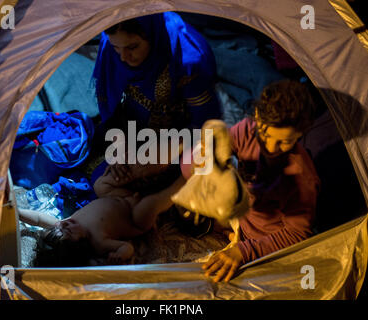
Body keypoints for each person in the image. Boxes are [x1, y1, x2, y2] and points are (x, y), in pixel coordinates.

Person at [180, 79, 320, 282]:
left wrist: (244, 251)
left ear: (300, 134)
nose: (271, 148)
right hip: (244, 215)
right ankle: (226, 228)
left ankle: (230, 233)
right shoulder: (247, 131)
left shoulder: (301, 177)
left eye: (284, 142)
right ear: (256, 117)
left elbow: (297, 234)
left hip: (267, 241)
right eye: (265, 134)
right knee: (186, 204)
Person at [88, 11, 222, 194]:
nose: (123, 58)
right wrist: (120, 144)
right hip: (135, 130)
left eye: (132, 47)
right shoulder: (109, 48)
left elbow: (208, 124)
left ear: (151, 34)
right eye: (117, 48)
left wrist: (167, 152)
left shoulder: (186, 58)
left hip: (183, 136)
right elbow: (111, 109)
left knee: (191, 183)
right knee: (103, 178)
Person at [32, 157, 186, 267]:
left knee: (101, 185)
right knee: (148, 207)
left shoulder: (65, 224)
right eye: (69, 232)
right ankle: (183, 183)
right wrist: (120, 256)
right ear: (81, 244)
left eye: (59, 226)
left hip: (120, 195)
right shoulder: (99, 242)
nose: (64, 224)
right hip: (134, 217)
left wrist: (16, 211)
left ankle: (131, 171)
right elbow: (127, 248)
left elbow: (39, 219)